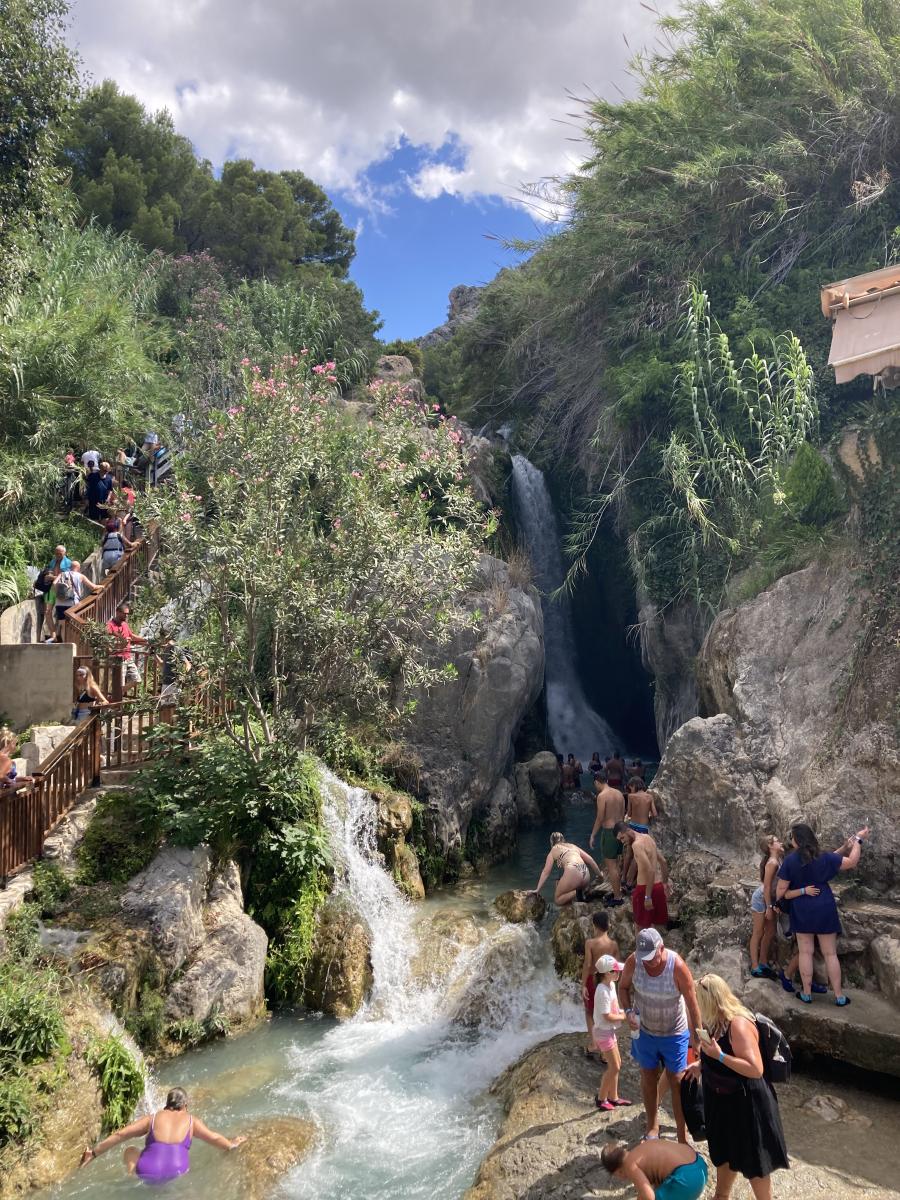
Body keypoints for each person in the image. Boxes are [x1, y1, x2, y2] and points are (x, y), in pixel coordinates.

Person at [691, 973, 789, 1199]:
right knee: (725, 1151)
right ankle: (721, 1196)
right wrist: (701, 1064)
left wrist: (720, 1056)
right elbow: (716, 1053)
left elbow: (755, 1069)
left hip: (747, 1103)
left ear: (710, 1002)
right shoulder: (716, 1022)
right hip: (724, 1101)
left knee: (755, 1161)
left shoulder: (738, 1025)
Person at [618, 927, 702, 1144]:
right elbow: (623, 987)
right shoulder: (634, 961)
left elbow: (692, 1003)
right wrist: (628, 1011)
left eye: (651, 957)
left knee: (677, 1081)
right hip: (645, 1030)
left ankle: (682, 1136)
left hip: (674, 1032)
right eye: (643, 958)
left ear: (661, 948)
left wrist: (698, 1038)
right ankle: (652, 1126)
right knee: (648, 1076)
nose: (647, 962)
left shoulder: (677, 966)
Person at [775, 822, 869, 1005]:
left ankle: (806, 994)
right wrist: (858, 840)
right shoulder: (823, 856)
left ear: (797, 840)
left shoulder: (790, 861)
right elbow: (851, 862)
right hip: (824, 906)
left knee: (805, 952)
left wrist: (792, 894)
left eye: (792, 837)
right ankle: (839, 996)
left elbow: (780, 891)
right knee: (830, 954)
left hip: (802, 909)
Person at [79, 1086, 246, 1181]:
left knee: (130, 1150)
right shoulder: (191, 1121)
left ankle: (131, 1176)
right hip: (178, 1172)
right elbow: (214, 1138)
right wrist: (232, 1144)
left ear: (166, 1104)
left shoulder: (151, 1118)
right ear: (185, 1105)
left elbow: (120, 1135)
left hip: (147, 1172)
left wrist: (93, 1153)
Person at [600, 1140, 708, 1200]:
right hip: (700, 1167)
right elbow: (655, 1184)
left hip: (688, 1181)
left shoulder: (629, 1165)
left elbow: (649, 1197)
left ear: (618, 1171)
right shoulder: (641, 1149)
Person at [593, 954, 630, 1110]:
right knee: (614, 1067)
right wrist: (624, 1017)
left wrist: (624, 1011)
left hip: (609, 1031)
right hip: (603, 1032)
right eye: (615, 971)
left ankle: (613, 1097)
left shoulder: (611, 985)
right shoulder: (601, 990)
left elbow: (613, 1008)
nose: (618, 973)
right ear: (607, 973)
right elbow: (607, 1016)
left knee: (617, 1064)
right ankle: (601, 1098)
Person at [582, 910, 620, 1056]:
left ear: (594, 926)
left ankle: (594, 1044)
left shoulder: (590, 943)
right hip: (607, 982)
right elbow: (616, 966)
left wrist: (583, 985)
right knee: (606, 1013)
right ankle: (605, 1052)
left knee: (589, 1012)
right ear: (608, 925)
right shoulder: (613, 944)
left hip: (593, 981)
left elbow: (587, 964)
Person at [615, 822, 668, 929]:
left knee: (639, 927)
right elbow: (663, 861)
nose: (622, 842)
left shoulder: (636, 845)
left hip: (644, 889)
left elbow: (650, 870)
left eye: (622, 838)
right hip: (658, 887)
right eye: (620, 840)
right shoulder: (648, 838)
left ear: (628, 831)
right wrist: (665, 883)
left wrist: (647, 896)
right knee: (656, 928)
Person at [531, 831, 602, 906]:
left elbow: (546, 872)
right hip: (585, 873)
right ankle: (582, 892)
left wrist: (537, 889)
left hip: (573, 871)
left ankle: (576, 892)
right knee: (566, 882)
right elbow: (591, 860)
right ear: (563, 840)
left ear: (551, 842)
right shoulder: (573, 846)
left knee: (558, 899)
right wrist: (600, 876)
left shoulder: (554, 849)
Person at [749, 835, 784, 978]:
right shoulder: (772, 862)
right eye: (777, 841)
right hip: (761, 899)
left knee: (770, 931)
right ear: (770, 846)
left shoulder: (778, 859)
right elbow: (767, 886)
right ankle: (754, 966)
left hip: (769, 898)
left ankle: (763, 962)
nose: (780, 842)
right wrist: (769, 907)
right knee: (758, 932)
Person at [590, 774, 626, 905]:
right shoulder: (619, 793)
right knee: (617, 864)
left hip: (610, 832)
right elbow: (623, 813)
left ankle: (617, 898)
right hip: (621, 831)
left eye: (595, 784)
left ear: (597, 782)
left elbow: (600, 817)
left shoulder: (602, 796)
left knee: (611, 866)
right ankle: (618, 892)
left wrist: (593, 834)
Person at [52, 560, 103, 639]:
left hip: (60, 602)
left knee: (62, 623)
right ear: (78, 568)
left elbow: (54, 583)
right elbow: (93, 587)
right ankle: (71, 640)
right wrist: (101, 586)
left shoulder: (62, 574)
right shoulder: (80, 576)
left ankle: (64, 641)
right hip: (73, 603)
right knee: (72, 623)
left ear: (70, 567)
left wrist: (58, 593)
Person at [107, 603, 149, 692]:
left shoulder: (125, 624)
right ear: (117, 612)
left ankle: (118, 694)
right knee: (119, 683)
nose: (126, 615)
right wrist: (121, 641)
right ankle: (117, 696)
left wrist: (146, 640)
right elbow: (108, 642)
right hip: (117, 658)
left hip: (128, 657)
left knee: (137, 680)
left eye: (127, 614)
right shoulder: (110, 625)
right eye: (124, 613)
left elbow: (132, 636)